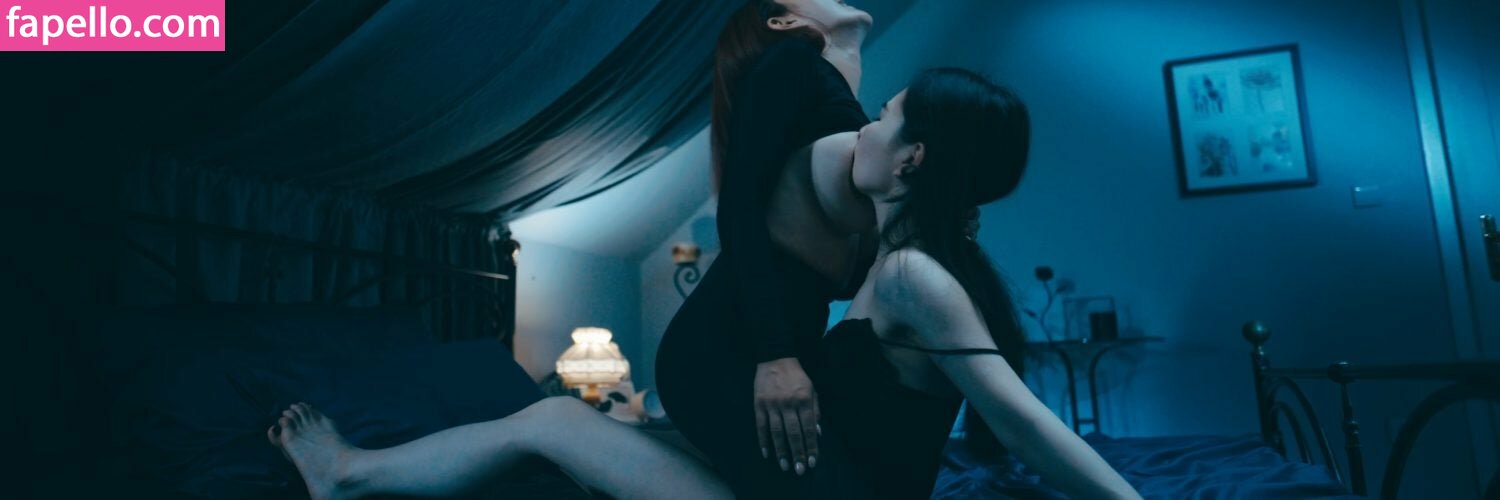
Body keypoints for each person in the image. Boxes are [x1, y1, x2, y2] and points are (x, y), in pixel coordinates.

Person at [268, 67, 1141, 500]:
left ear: (910, 159)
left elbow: (1021, 418)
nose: (865, 128)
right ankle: (354, 473)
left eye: (884, 118)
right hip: (804, 483)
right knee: (557, 419)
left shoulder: (914, 273)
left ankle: (347, 473)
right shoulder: (891, 254)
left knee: (553, 423)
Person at [654, 0, 878, 496]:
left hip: (775, 349)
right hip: (728, 351)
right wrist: (775, 355)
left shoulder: (829, 95)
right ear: (784, 22)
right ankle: (561, 429)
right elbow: (738, 204)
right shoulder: (791, 60)